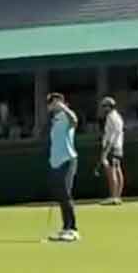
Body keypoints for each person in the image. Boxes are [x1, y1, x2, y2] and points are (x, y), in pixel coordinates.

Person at [46, 93, 80, 242]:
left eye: (55, 102)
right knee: (60, 195)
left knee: (66, 194)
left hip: (68, 160)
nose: (53, 105)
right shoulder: (54, 121)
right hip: (56, 162)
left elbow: (75, 120)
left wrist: (64, 108)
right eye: (52, 103)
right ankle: (66, 228)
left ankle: (73, 229)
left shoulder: (67, 116)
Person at [97, 97, 125, 205]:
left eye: (105, 106)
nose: (103, 108)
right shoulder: (118, 117)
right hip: (118, 146)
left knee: (111, 172)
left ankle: (113, 197)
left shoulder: (110, 117)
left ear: (110, 106)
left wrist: (106, 150)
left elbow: (111, 135)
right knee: (117, 170)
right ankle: (117, 196)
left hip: (112, 147)